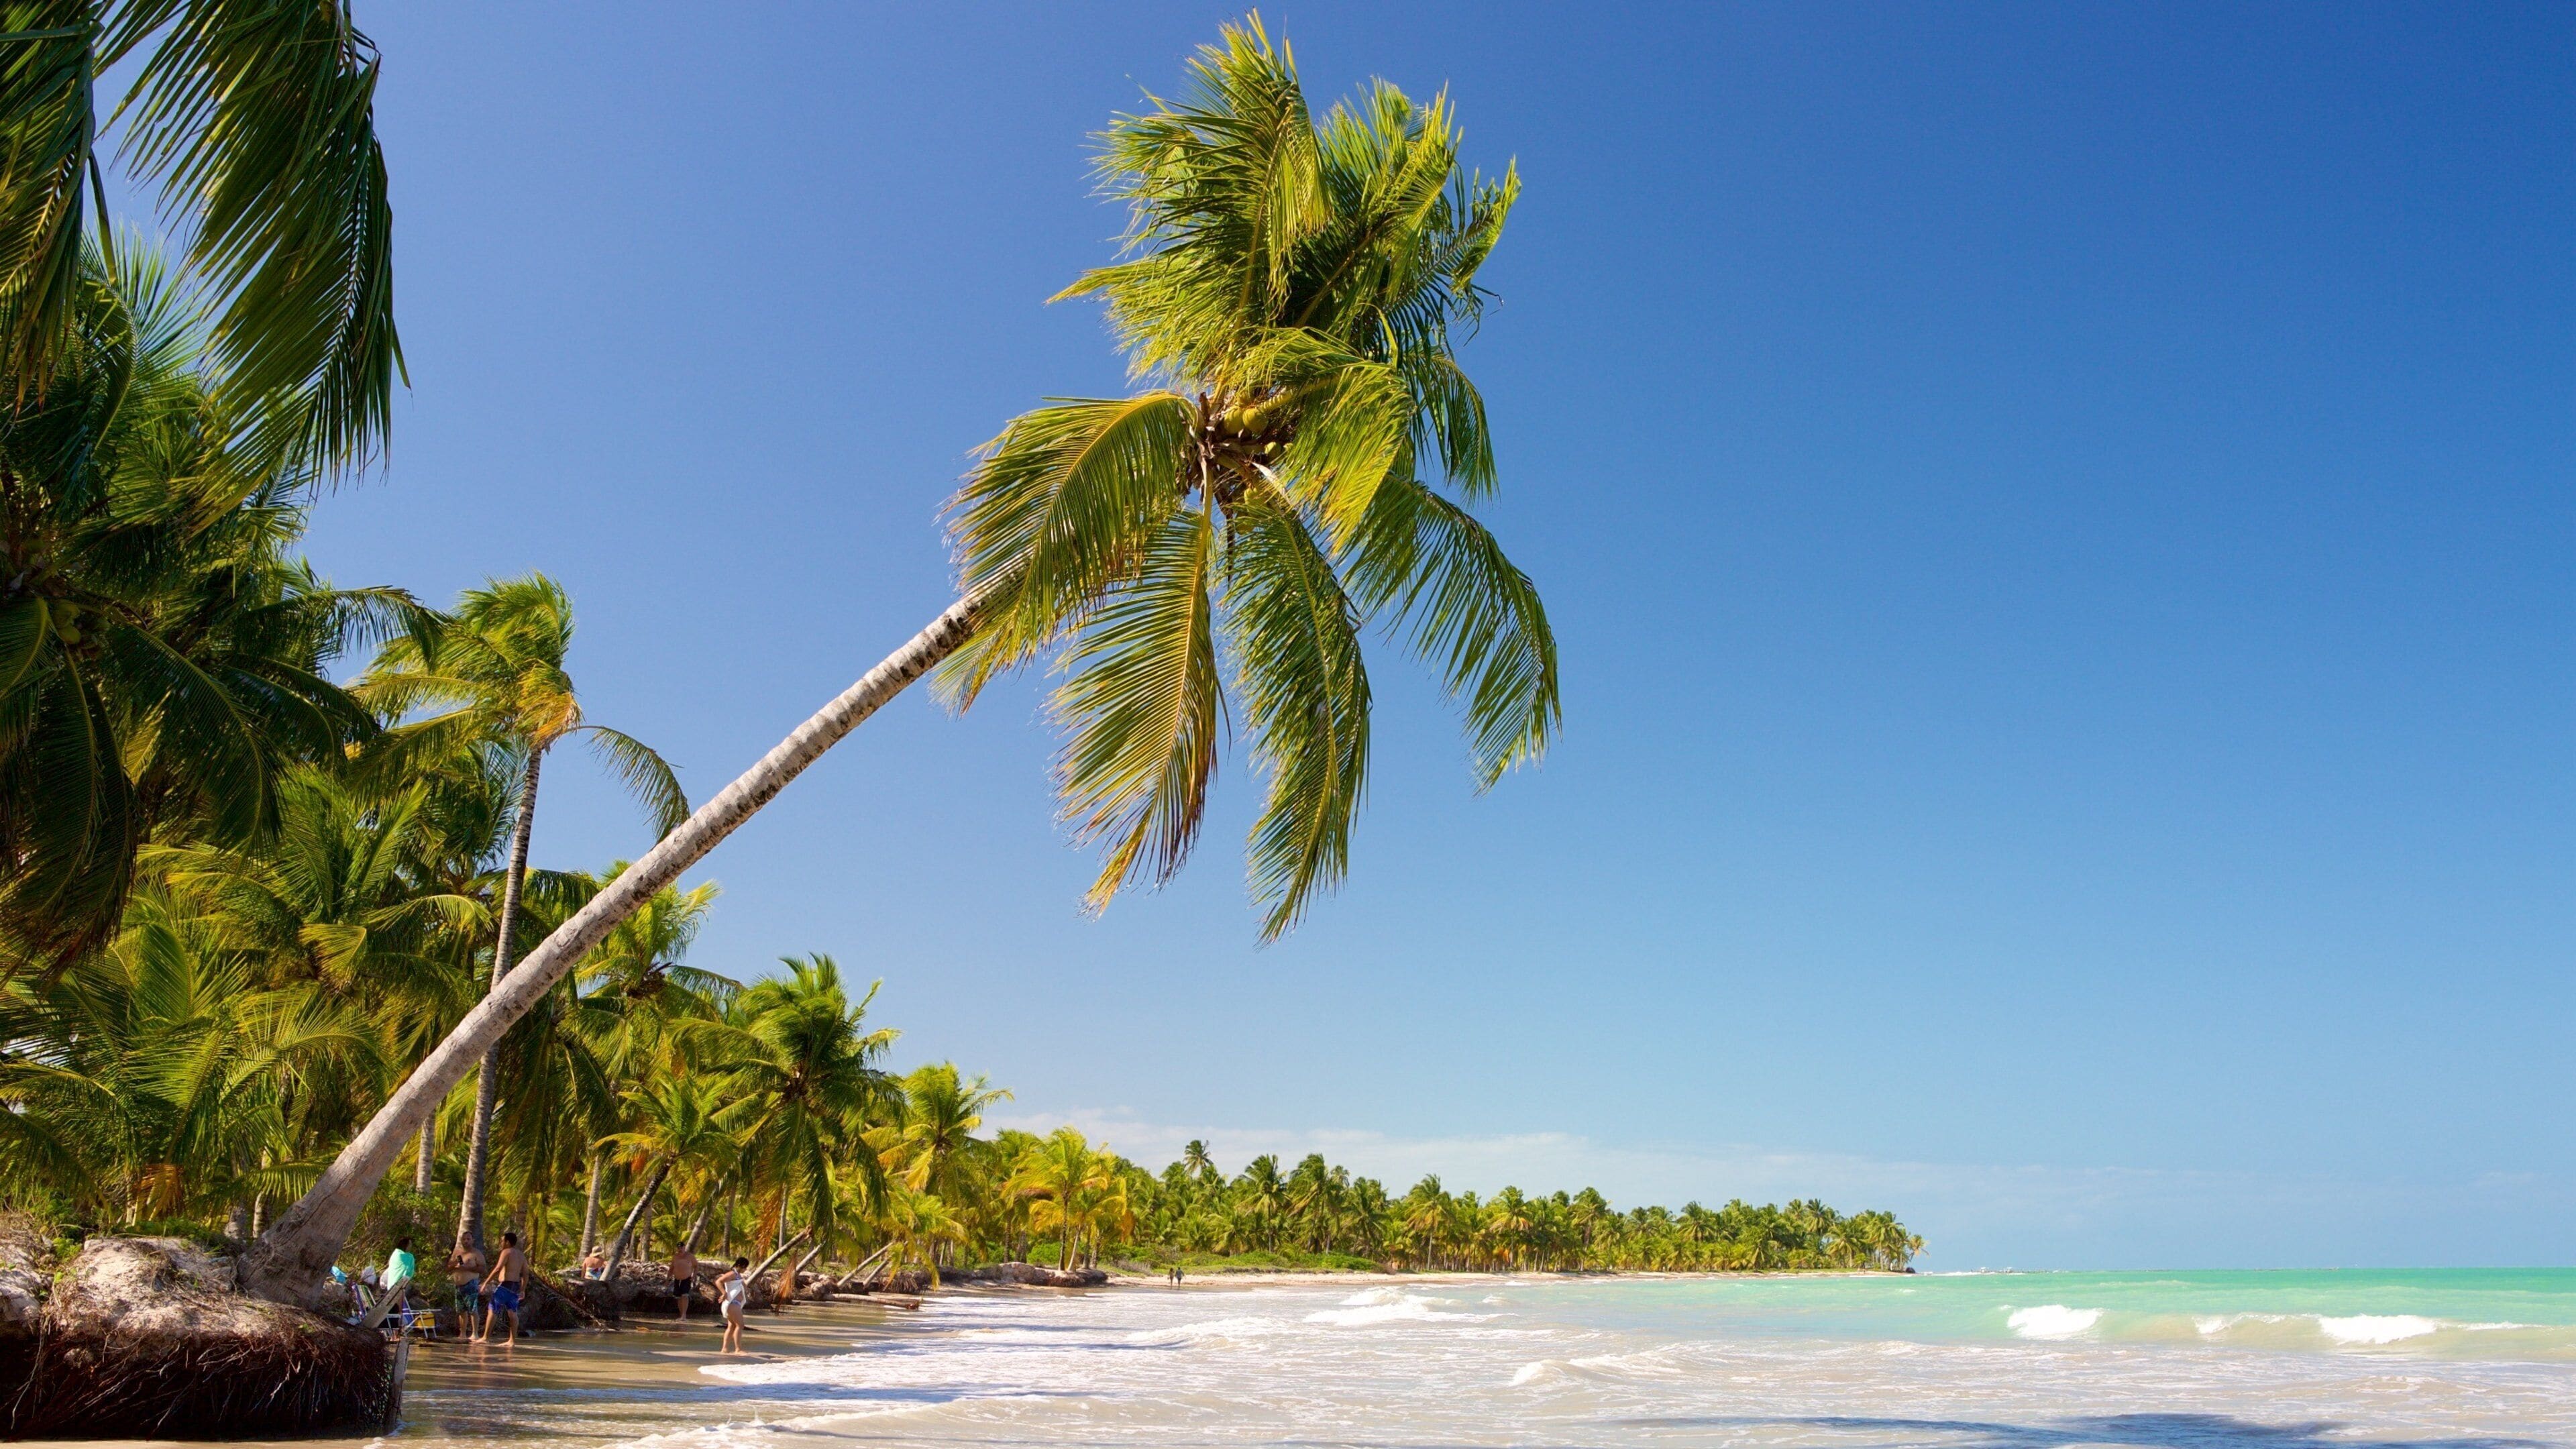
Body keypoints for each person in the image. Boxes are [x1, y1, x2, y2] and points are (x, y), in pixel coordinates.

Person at [477, 1231, 528, 1346]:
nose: (501, 1243)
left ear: (508, 1242)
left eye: (502, 1241)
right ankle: (512, 1341)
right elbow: (526, 1274)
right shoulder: (521, 1255)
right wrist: (523, 1289)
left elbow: (498, 1268)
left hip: (505, 1286)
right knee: (512, 1313)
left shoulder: (506, 1252)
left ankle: (486, 1337)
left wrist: (485, 1283)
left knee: (493, 1309)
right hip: (515, 1287)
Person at [714, 1256, 751, 1354]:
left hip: (736, 1304)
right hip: (732, 1303)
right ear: (739, 1266)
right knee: (740, 1325)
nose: (746, 1269)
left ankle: (725, 1349)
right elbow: (719, 1281)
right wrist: (724, 1293)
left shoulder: (738, 1275)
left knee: (732, 1327)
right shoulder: (732, 1274)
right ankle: (738, 1349)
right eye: (745, 1267)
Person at [446, 1239, 486, 1328]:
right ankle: (463, 1333)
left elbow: (482, 1269)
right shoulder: (457, 1253)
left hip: (471, 1284)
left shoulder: (476, 1253)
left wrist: (468, 1268)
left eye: (469, 1239)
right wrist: (454, 1265)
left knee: (472, 1310)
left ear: (473, 1240)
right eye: (464, 1239)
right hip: (459, 1286)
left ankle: (474, 1333)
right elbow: (448, 1267)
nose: (466, 1241)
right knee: (461, 1311)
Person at [668, 1242, 700, 1322]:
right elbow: (671, 1268)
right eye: (679, 1248)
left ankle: (684, 1315)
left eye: (682, 1247)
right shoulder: (675, 1257)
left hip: (687, 1278)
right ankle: (681, 1315)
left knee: (685, 1296)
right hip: (677, 1279)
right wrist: (668, 1279)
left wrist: (694, 1276)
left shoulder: (690, 1256)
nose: (680, 1249)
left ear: (685, 1247)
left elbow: (696, 1266)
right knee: (678, 1297)